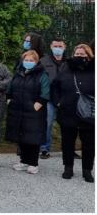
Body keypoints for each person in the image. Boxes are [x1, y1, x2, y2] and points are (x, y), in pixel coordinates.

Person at [52, 44, 94, 182]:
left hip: (88, 113)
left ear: (89, 55)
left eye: (82, 54)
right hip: (67, 111)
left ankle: (87, 170)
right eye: (77, 54)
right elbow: (55, 86)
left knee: (88, 144)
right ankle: (68, 168)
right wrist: (58, 102)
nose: (79, 56)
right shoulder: (65, 67)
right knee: (67, 142)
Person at [5, 50, 50, 175]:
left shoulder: (42, 74)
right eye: (26, 60)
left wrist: (36, 106)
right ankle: (24, 161)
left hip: (34, 112)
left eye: (31, 60)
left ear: (36, 62)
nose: (28, 62)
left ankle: (33, 163)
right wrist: (9, 100)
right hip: (18, 110)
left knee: (33, 138)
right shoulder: (18, 73)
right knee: (22, 137)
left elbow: (45, 93)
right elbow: (10, 89)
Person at [39, 38, 68, 159]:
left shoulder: (69, 61)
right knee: (47, 123)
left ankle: (68, 149)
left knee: (67, 125)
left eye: (60, 46)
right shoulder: (43, 61)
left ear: (64, 47)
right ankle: (44, 148)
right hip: (49, 98)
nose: (58, 48)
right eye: (55, 46)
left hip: (66, 98)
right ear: (51, 47)